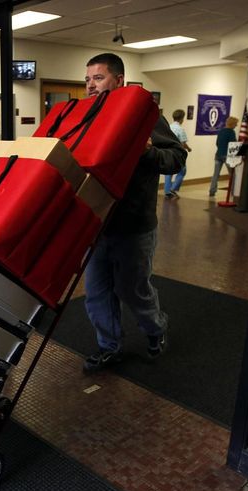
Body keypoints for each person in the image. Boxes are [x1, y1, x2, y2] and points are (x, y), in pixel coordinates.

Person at [82, 53, 187, 373]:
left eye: (98, 78)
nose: (90, 86)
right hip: (98, 223)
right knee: (97, 293)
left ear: (119, 80)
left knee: (133, 290)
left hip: (134, 225)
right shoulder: (87, 116)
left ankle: (156, 328)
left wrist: (148, 150)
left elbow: (176, 158)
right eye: (87, 80)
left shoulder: (146, 116)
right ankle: (109, 346)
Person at [164, 109, 192, 199]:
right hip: (177, 153)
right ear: (182, 118)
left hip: (168, 152)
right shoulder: (180, 129)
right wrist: (188, 148)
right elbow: (183, 143)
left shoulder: (168, 127)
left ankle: (167, 191)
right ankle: (173, 188)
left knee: (168, 172)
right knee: (182, 171)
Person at [210, 117, 238, 197]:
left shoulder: (221, 131)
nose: (236, 125)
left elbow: (217, 143)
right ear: (232, 124)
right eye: (235, 124)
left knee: (216, 174)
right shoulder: (231, 132)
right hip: (227, 156)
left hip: (218, 155)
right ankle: (233, 192)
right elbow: (233, 144)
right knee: (232, 174)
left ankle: (212, 191)